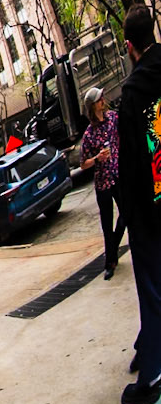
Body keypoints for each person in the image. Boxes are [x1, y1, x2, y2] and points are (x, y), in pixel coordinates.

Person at [114, 1, 161, 404]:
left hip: (151, 207)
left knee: (152, 285)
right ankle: (148, 344)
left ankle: (152, 377)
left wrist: (127, 213)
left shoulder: (131, 94)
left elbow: (129, 163)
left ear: (129, 45)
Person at [79, 85, 124, 279]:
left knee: (126, 214)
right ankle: (110, 263)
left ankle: (112, 249)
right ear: (92, 106)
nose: (102, 101)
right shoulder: (89, 134)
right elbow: (83, 164)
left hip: (118, 175)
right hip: (102, 182)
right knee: (107, 223)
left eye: (102, 97)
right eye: (99, 99)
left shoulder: (113, 118)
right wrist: (97, 158)